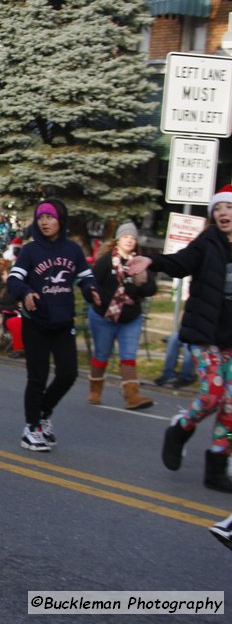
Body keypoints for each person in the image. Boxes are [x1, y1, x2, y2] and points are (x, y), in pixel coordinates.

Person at [128, 184, 232, 492]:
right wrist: (151, 261)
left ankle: (216, 466)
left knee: (231, 406)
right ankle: (180, 428)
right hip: (205, 334)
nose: (223, 214)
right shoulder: (207, 242)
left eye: (228, 208)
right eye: (218, 210)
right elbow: (180, 263)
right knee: (212, 394)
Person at [7, 199, 100, 452]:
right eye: (41, 218)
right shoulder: (30, 251)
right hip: (35, 322)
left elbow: (85, 277)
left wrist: (92, 290)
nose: (45, 222)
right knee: (37, 378)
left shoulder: (72, 250)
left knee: (68, 373)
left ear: (61, 220)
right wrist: (25, 292)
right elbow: (14, 280)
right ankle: (31, 428)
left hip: (62, 322)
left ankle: (44, 413)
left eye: (50, 217)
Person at [86, 222, 156, 410]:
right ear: (118, 240)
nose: (129, 241)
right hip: (103, 317)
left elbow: (151, 289)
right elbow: (91, 283)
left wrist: (141, 284)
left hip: (130, 319)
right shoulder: (106, 261)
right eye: (126, 237)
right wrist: (96, 296)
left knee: (128, 355)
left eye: (132, 238)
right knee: (101, 354)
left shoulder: (140, 262)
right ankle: (95, 390)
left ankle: (131, 396)